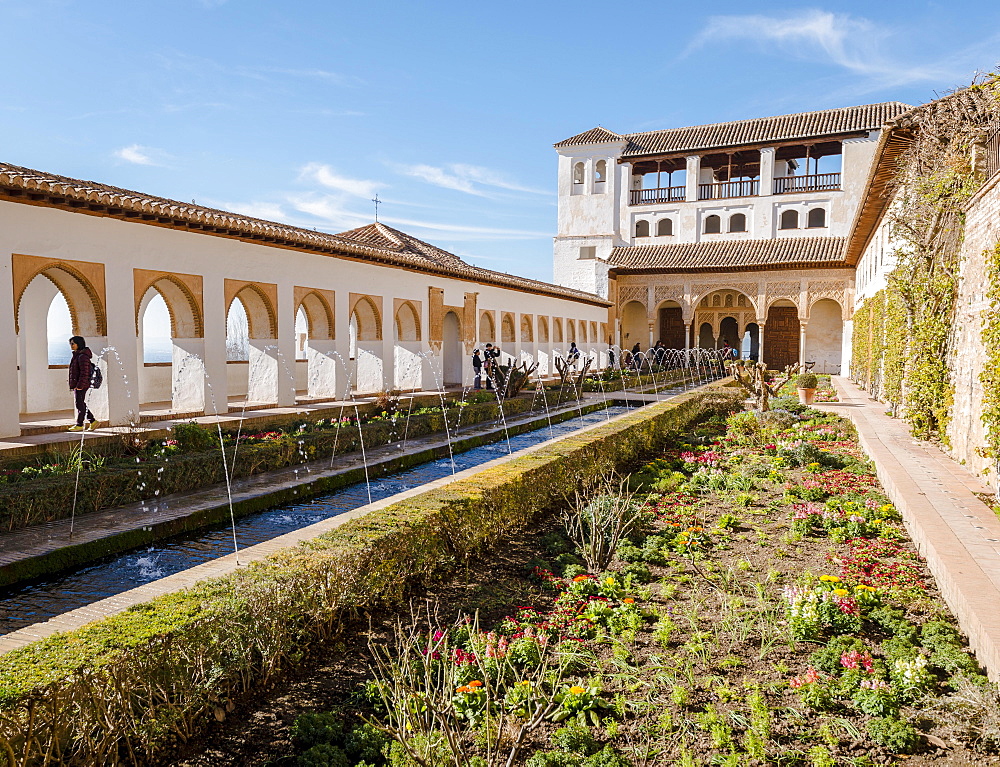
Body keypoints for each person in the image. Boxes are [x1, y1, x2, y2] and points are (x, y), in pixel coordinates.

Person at [68, 336, 98, 431]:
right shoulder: (78, 355)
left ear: (78, 344)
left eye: (73, 343)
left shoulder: (82, 357)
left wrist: (80, 385)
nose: (71, 346)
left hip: (82, 385)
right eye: (71, 344)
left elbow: (84, 372)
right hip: (79, 384)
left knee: (79, 404)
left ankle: (80, 424)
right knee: (80, 403)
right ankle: (92, 421)